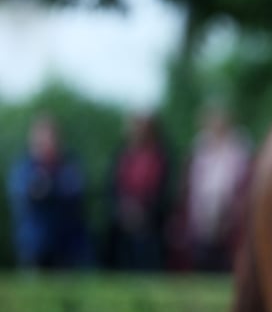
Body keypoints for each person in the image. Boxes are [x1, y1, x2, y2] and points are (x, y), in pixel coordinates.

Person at [6, 115, 91, 268]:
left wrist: (47, 187)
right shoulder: (24, 166)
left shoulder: (69, 164)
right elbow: (24, 194)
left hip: (67, 244)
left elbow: (75, 192)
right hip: (35, 243)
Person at [182, 106, 252, 271]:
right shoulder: (200, 147)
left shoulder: (238, 148)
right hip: (203, 209)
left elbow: (242, 180)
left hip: (230, 210)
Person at [104, 114, 171, 271]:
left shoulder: (160, 155)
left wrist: (144, 211)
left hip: (151, 220)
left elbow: (163, 189)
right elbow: (113, 186)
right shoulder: (122, 155)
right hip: (123, 218)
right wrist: (123, 209)